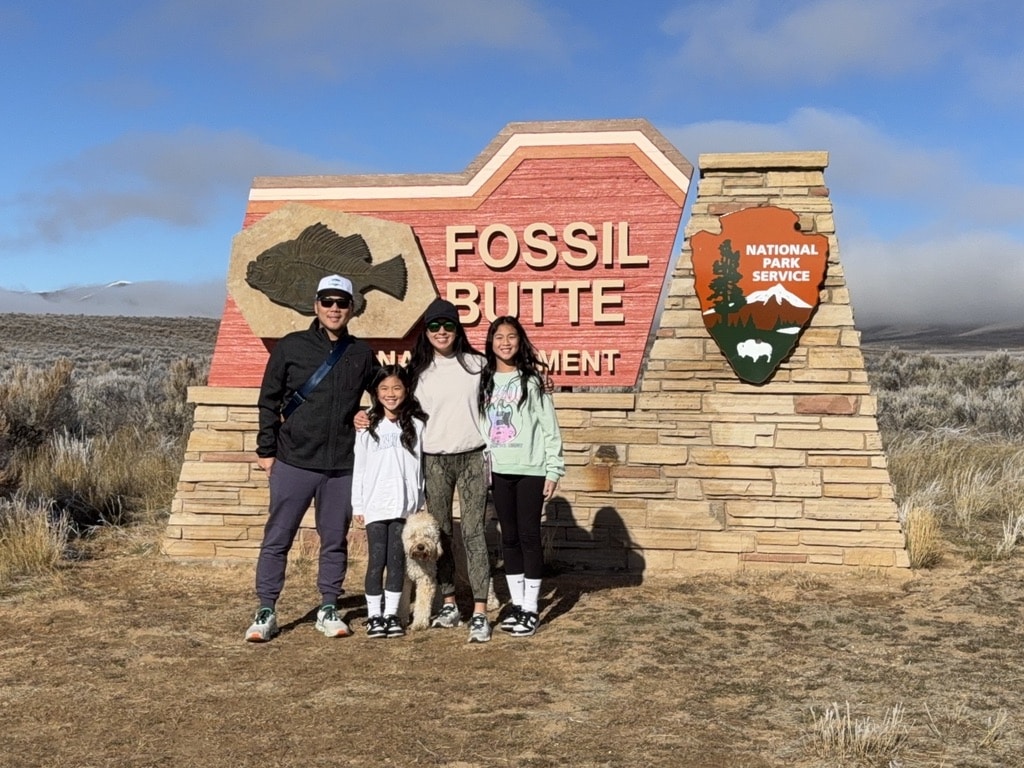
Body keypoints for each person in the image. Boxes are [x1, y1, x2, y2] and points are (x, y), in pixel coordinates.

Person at [245, 274, 378, 642]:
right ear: (316, 305)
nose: (334, 309)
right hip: (293, 460)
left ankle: (329, 606)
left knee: (334, 539)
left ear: (352, 308)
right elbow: (269, 400)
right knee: (278, 537)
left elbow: (389, 390)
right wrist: (266, 451)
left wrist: (369, 414)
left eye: (342, 303)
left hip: (340, 465)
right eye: (327, 302)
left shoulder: (361, 354)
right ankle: (266, 608)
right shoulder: (291, 347)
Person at [407, 298, 494, 643]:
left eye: (448, 325)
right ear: (425, 331)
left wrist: (543, 387)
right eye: (434, 326)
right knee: (440, 533)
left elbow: (507, 391)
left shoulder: (478, 365)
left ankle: (480, 610)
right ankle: (448, 603)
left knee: (473, 533)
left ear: (458, 329)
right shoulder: (417, 371)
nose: (441, 332)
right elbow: (390, 402)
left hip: (472, 456)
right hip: (435, 460)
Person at [478, 315, 564, 637]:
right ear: (490, 342)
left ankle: (531, 609)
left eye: (511, 336)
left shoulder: (532, 380)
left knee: (529, 537)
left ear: (520, 340)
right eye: (499, 337)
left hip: (530, 469)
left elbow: (549, 428)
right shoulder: (483, 379)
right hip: (498, 471)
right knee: (508, 538)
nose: (505, 342)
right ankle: (517, 604)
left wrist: (553, 469)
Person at [351, 365, 428, 639]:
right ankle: (374, 617)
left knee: (396, 562)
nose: (391, 394)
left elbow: (420, 467)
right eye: (384, 389)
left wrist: (419, 501)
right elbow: (359, 468)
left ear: (406, 391)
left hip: (403, 506)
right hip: (375, 505)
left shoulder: (417, 425)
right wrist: (357, 506)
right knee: (376, 562)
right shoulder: (367, 425)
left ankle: (392, 615)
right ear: (375, 393)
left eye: (396, 388)